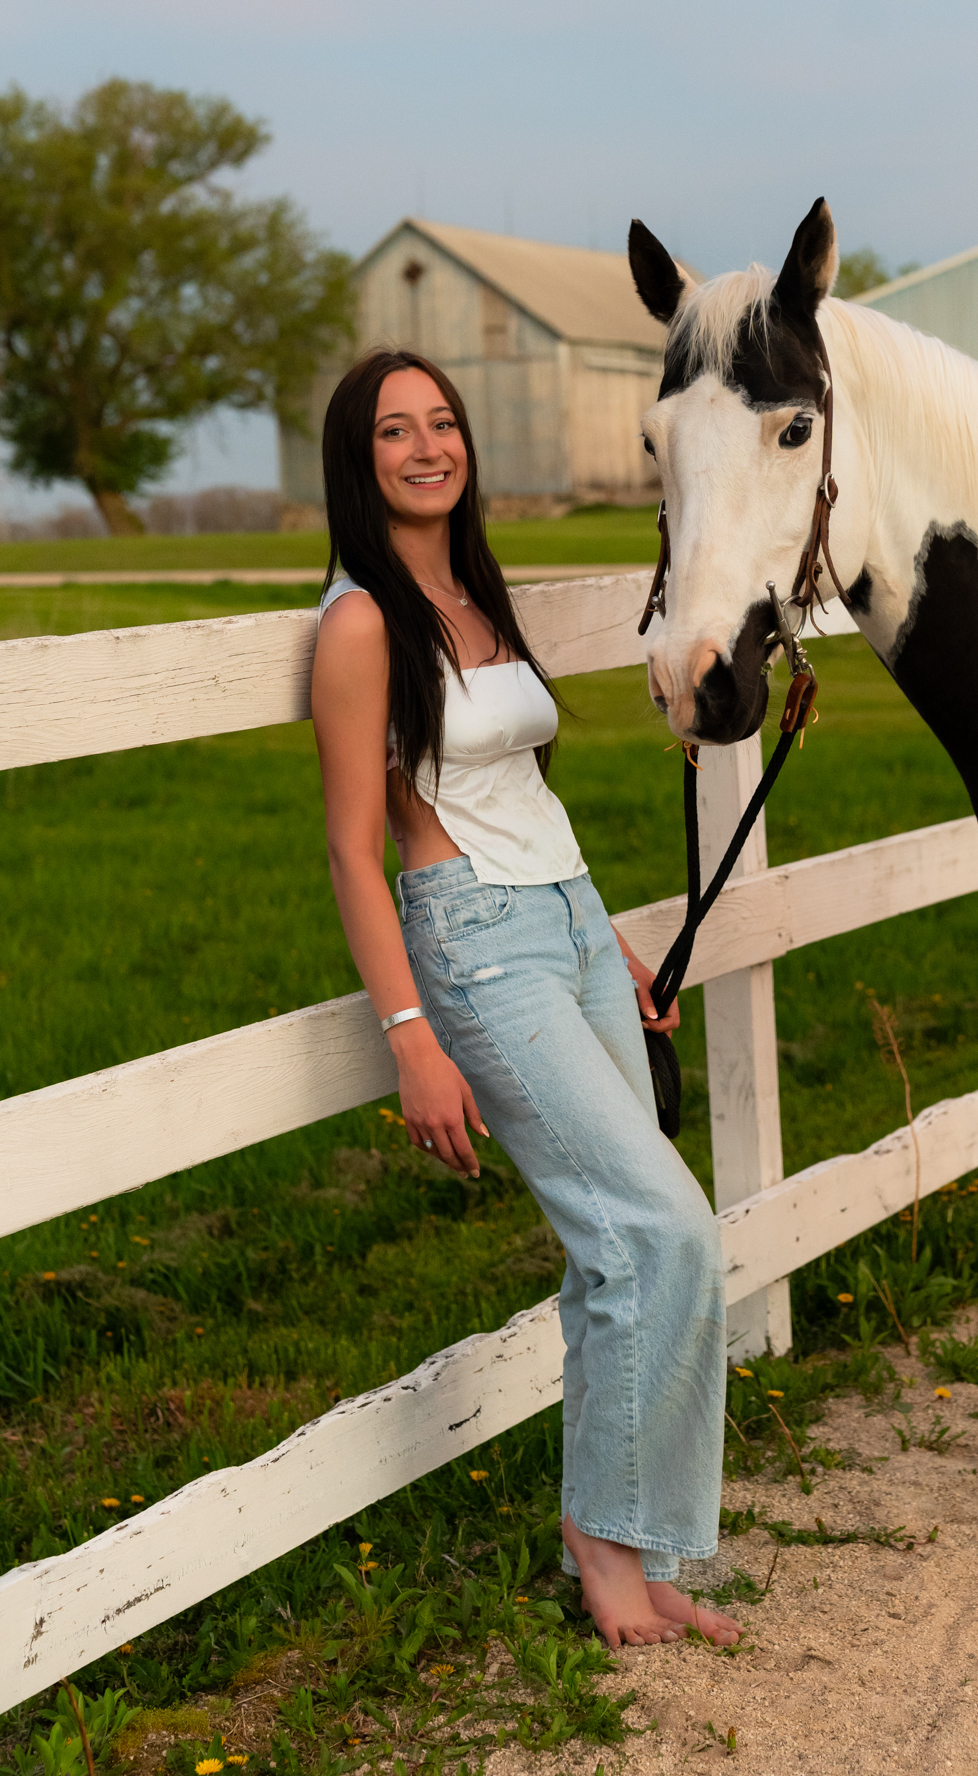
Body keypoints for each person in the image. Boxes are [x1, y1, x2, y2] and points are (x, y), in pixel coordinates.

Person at [309, 348, 739, 1651]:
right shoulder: (360, 622)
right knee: (659, 1231)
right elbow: (350, 846)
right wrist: (409, 1037)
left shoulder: (471, 589)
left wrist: (603, 937)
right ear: (357, 457)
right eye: (396, 430)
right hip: (475, 947)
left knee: (634, 1244)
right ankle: (599, 1545)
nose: (429, 446)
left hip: (558, 919)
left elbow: (527, 795)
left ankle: (642, 1549)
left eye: (442, 422)